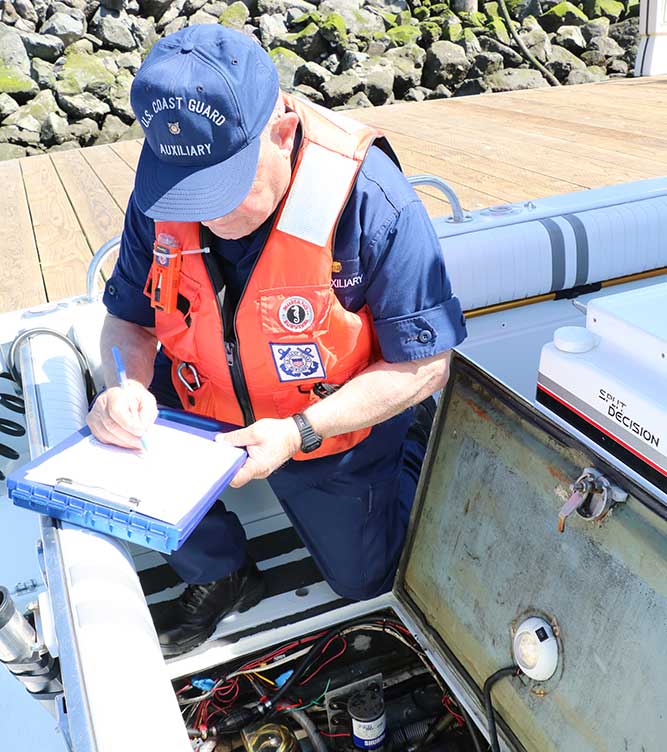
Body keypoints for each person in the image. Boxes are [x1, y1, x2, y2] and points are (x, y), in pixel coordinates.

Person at [88, 24, 467, 657]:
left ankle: (413, 446)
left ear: (283, 133)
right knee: (126, 437)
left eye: (226, 189)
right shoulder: (162, 193)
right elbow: (128, 318)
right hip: (199, 393)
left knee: (362, 582)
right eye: (190, 195)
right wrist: (124, 386)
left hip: (321, 420)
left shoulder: (372, 199)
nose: (206, 216)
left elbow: (427, 364)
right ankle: (222, 573)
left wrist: (298, 433)